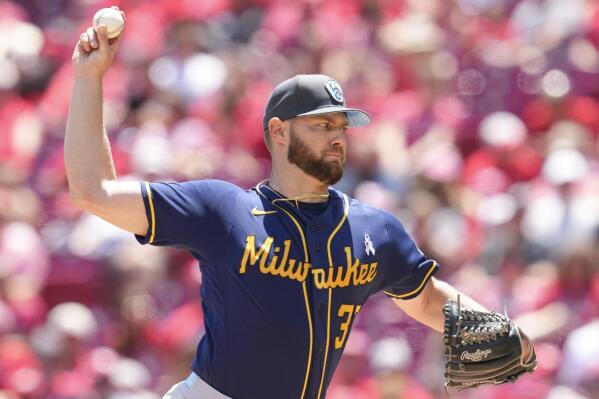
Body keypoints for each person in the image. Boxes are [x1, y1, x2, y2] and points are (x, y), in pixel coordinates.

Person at [65, 7, 533, 399]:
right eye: (321, 125)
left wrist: (496, 330)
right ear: (278, 131)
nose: (336, 138)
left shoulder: (374, 230)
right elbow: (94, 191)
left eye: (341, 127)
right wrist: (90, 80)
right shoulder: (221, 210)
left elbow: (426, 297)